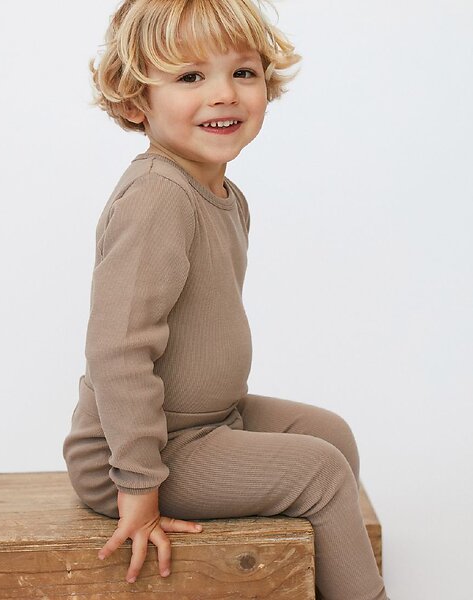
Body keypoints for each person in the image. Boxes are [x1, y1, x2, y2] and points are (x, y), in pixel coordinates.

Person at [62, 1, 391, 598]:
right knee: (319, 469)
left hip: (210, 422)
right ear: (136, 101)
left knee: (330, 435)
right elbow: (117, 350)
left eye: (243, 72)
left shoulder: (224, 195)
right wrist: (138, 485)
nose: (224, 94)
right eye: (190, 76)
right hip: (136, 453)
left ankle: (309, 578)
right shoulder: (158, 197)